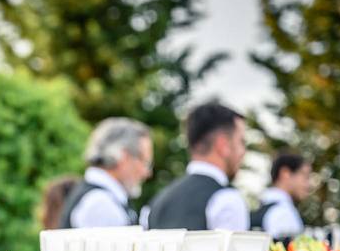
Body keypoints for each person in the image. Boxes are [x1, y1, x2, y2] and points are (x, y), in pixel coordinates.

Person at [144, 102, 248, 231]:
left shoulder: (155, 203)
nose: (243, 151)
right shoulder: (227, 200)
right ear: (223, 144)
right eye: (241, 142)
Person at [48, 118, 152, 229]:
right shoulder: (100, 204)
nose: (147, 173)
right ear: (123, 156)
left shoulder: (98, 196)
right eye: (144, 162)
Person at [251, 152, 310, 239]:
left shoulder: (263, 207)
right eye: (305, 176)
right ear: (285, 173)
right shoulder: (283, 212)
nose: (308, 184)